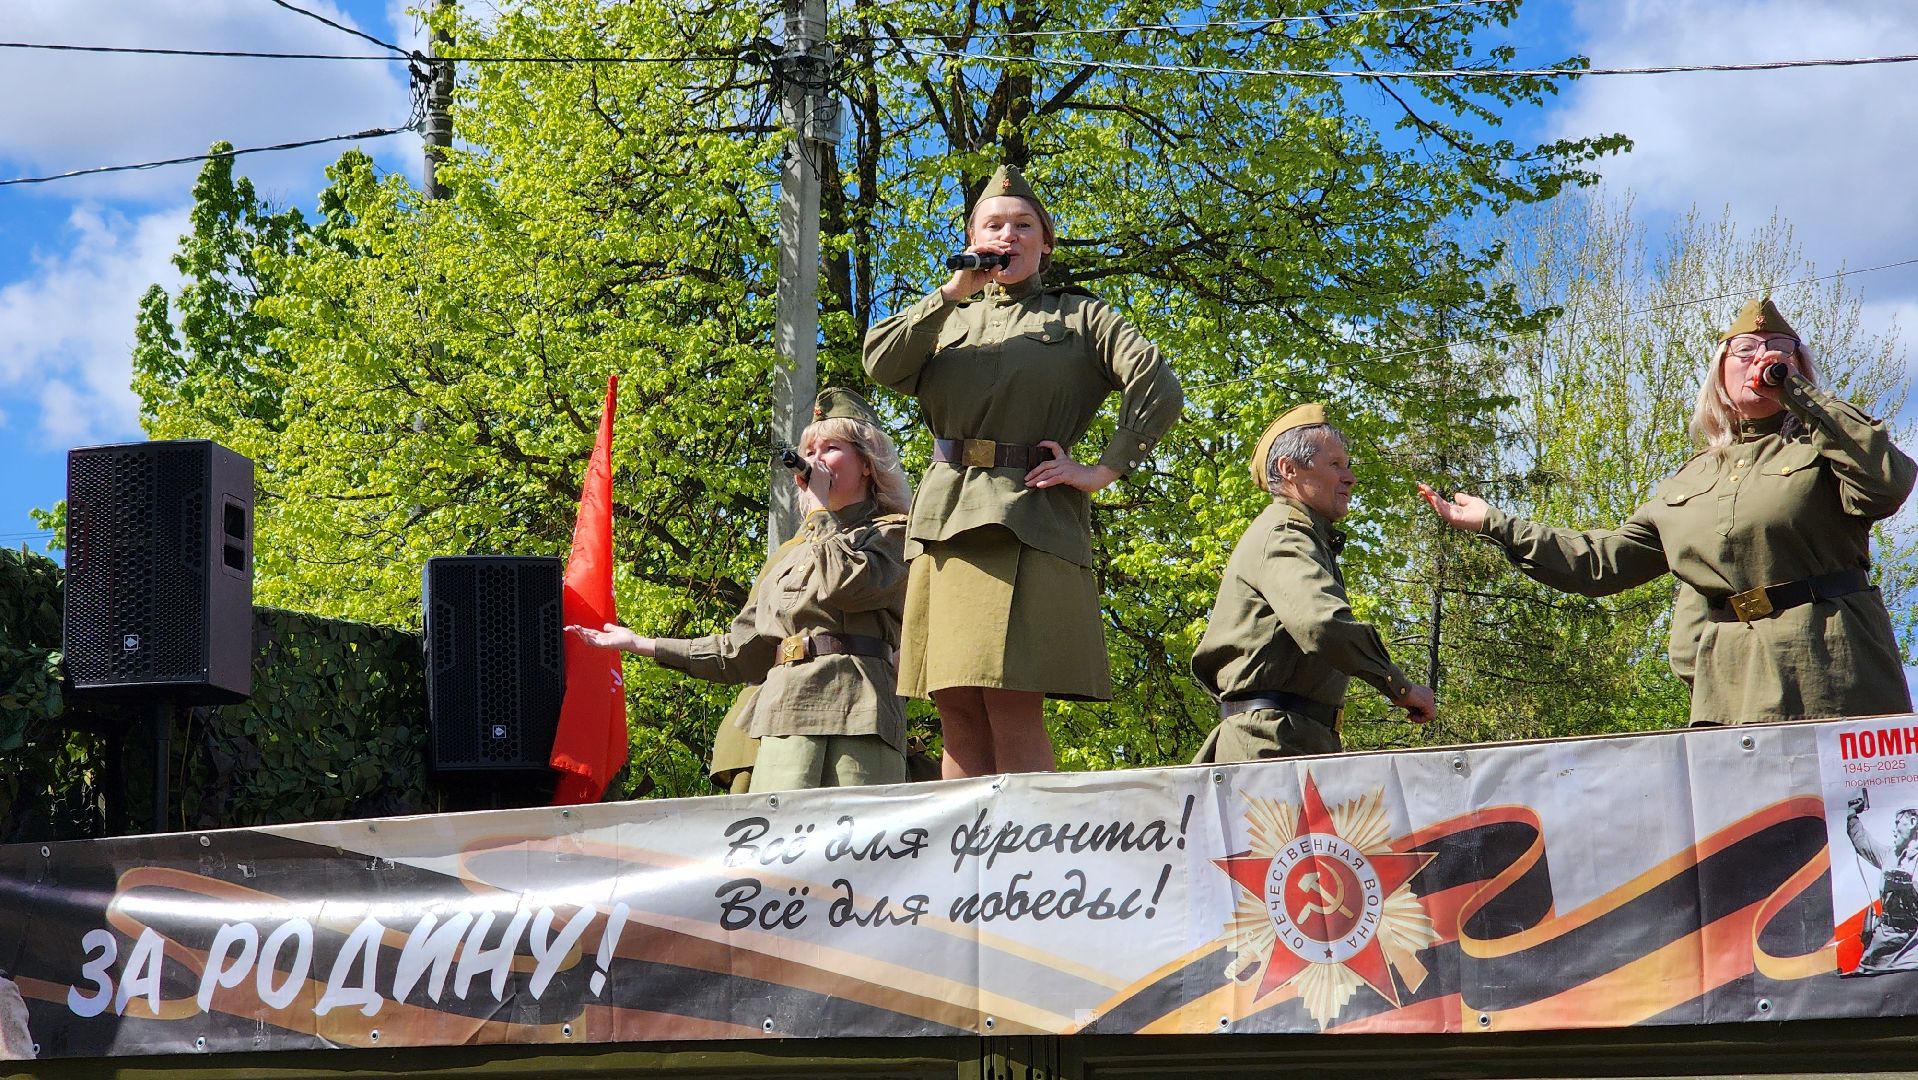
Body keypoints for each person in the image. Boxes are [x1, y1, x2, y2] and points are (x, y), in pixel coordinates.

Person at [1420, 297, 1915, 726]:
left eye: (1779, 353)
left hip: (1834, 673)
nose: (1760, 359)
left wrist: (1798, 393)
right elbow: (1600, 561)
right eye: (1743, 351)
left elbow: (1887, 482)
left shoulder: (1823, 448)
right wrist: (1494, 522)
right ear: (1720, 371)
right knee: (1751, 832)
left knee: (1855, 825)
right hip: (1731, 691)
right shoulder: (1691, 479)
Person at [862, 164, 1183, 778]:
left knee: (1009, 701)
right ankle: (962, 860)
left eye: (1023, 225)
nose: (1008, 236)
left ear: (1046, 242)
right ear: (973, 237)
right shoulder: (946, 316)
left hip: (1026, 517)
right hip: (945, 518)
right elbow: (880, 363)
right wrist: (951, 292)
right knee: (954, 703)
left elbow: (1158, 386)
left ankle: (1028, 858)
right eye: (994, 225)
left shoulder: (1081, 317)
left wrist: (1104, 468)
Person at [568, 388, 913, 792]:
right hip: (783, 718)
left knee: (853, 850)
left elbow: (848, 586)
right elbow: (743, 651)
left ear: (868, 464)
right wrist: (645, 644)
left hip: (858, 716)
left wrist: (819, 512)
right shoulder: (789, 555)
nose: (815, 459)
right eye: (810, 449)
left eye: (831, 448)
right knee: (778, 848)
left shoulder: (894, 532)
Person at [1191, 404, 1435, 762]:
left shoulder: (1304, 536)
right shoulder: (1285, 533)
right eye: (1335, 464)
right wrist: (1399, 687)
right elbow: (1322, 624)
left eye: (1347, 465)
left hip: (1290, 738)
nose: (1350, 477)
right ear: (1288, 470)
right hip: (1272, 742)